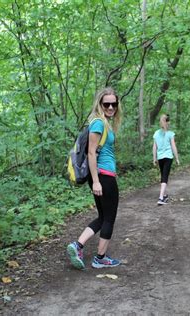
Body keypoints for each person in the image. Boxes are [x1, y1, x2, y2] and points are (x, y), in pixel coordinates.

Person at [67, 87, 123, 269]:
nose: (110, 107)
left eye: (114, 103)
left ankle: (78, 245)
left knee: (102, 216)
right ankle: (100, 258)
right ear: (100, 104)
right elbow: (91, 153)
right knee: (109, 218)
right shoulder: (99, 123)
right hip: (103, 176)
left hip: (101, 176)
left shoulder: (104, 123)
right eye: (106, 104)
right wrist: (97, 181)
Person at [153, 114, 180, 205]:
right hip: (168, 157)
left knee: (163, 175)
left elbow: (154, 147)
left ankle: (164, 195)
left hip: (160, 157)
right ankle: (161, 198)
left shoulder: (156, 133)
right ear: (168, 122)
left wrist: (154, 158)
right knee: (165, 177)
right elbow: (173, 146)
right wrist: (177, 158)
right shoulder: (170, 134)